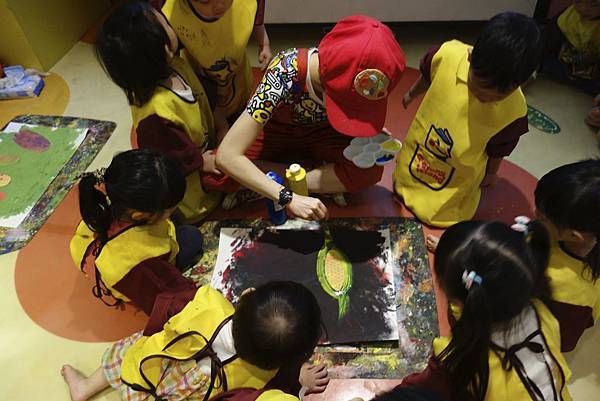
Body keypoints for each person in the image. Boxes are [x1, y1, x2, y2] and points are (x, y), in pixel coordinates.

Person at [216, 15, 406, 220]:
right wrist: (287, 197)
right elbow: (227, 155)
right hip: (275, 134)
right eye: (348, 107)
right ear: (325, 81)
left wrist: (366, 128)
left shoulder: (359, 80)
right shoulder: (284, 71)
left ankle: (278, 179)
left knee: (369, 167)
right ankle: (316, 176)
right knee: (217, 174)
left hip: (325, 134)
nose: (352, 111)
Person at [394, 12, 543, 228]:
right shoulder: (447, 55)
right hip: (424, 143)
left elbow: (499, 147)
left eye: (497, 96)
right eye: (479, 88)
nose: (485, 98)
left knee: (446, 202)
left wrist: (491, 173)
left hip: (460, 169)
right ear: (470, 57)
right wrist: (412, 93)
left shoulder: (514, 110)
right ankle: (407, 183)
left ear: (523, 82)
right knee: (412, 169)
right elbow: (428, 73)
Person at [61, 282, 329, 401]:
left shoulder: (206, 301)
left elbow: (161, 313)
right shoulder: (264, 377)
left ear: (247, 295)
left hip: (141, 374)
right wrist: (298, 381)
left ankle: (85, 388)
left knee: (133, 349)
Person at [398, 221, 571, 401]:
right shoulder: (541, 308)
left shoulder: (455, 358)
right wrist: (455, 264)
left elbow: (414, 392)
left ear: (455, 300)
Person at [95, 1, 224, 224]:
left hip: (210, 150)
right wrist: (202, 162)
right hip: (195, 197)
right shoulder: (155, 114)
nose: (170, 23)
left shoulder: (177, 65)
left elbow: (204, 97)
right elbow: (169, 162)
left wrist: (222, 125)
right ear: (163, 47)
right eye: (165, 23)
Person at [70, 149, 202, 334]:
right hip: (125, 270)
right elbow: (169, 301)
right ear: (140, 215)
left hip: (103, 249)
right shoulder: (137, 260)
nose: (172, 212)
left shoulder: (116, 197)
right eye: (170, 210)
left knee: (187, 235)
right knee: (192, 239)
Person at [151, 0, 272, 121]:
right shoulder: (173, 13)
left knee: (239, 107)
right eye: (204, 1)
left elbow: (256, 15)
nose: (219, 6)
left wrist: (263, 43)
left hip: (237, 76)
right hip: (201, 80)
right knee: (209, 115)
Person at [534, 159, 600, 352]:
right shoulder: (588, 231)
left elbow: (560, 342)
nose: (533, 214)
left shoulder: (570, 295)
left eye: (542, 218)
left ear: (573, 236)